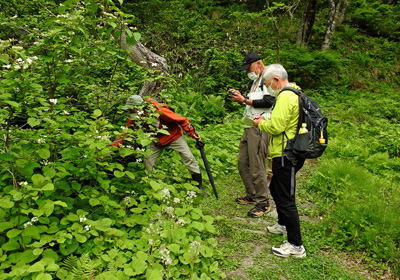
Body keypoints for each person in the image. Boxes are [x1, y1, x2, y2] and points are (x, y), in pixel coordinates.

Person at [253, 64, 306, 258]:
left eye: (268, 84)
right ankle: (283, 224)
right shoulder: (295, 92)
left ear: (276, 80)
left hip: (286, 153)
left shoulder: (285, 95)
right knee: (275, 187)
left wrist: (260, 123)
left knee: (286, 198)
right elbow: (284, 120)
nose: (268, 88)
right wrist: (267, 118)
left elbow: (275, 126)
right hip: (286, 152)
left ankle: (296, 245)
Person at [112, 95, 206, 195]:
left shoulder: (159, 110)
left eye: (131, 110)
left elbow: (182, 120)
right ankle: (153, 189)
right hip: (156, 140)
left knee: (188, 157)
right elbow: (124, 135)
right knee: (148, 162)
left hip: (173, 136)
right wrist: (110, 150)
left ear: (137, 107)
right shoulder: (135, 117)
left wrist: (192, 134)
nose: (130, 112)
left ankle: (198, 187)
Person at [229, 52, 276, 218]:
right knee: (243, 163)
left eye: (249, 68)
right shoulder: (257, 80)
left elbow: (270, 101)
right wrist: (242, 97)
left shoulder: (270, 77)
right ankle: (252, 194)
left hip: (260, 126)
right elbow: (255, 101)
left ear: (258, 63)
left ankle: (263, 203)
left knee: (257, 166)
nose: (248, 72)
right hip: (248, 126)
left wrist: (243, 101)